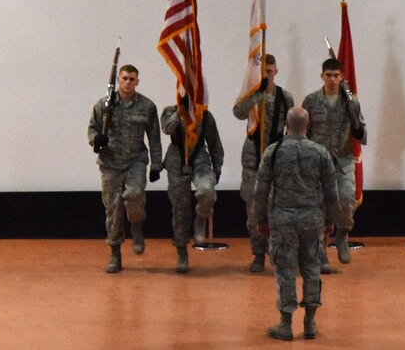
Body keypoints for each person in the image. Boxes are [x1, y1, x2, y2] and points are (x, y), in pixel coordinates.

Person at [253, 107, 339, 341]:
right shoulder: (320, 152)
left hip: (283, 220)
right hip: (312, 219)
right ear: (308, 124)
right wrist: (331, 219)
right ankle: (310, 322)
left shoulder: (274, 151)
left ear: (286, 125)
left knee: (285, 270)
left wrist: (260, 219)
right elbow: (332, 191)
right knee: (312, 268)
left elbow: (261, 189)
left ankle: (285, 323)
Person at [88, 64, 163, 273]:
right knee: (112, 209)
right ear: (118, 80)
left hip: (135, 161)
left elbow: (154, 137)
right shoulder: (104, 105)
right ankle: (115, 254)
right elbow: (92, 128)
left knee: (135, 195)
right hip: (110, 163)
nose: (128, 82)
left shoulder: (147, 106)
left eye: (132, 79)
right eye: (124, 78)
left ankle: (136, 225)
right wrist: (96, 139)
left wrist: (156, 164)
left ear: (137, 81)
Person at [301, 58, 366, 268]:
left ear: (342, 77)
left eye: (336, 75)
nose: (332, 79)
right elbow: (302, 133)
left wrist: (358, 130)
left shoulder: (351, 102)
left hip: (342, 159)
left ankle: (342, 235)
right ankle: (321, 257)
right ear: (322, 76)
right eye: (328, 75)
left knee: (347, 199)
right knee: (318, 209)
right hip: (318, 161)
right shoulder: (311, 101)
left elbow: (363, 135)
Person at [233, 54, 294, 272]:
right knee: (254, 210)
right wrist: (256, 94)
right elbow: (238, 112)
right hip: (252, 160)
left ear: (276, 72)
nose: (267, 75)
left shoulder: (285, 97)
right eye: (263, 72)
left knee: (277, 210)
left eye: (270, 71)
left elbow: (292, 127)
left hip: (277, 159)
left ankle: (276, 252)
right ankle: (258, 253)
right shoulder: (251, 95)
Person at [160, 99, 224, 273]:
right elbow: (167, 128)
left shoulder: (205, 115)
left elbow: (214, 143)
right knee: (180, 209)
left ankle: (200, 219)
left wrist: (217, 167)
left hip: (200, 159)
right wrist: (179, 113)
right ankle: (182, 253)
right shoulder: (169, 111)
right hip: (176, 161)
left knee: (207, 191)